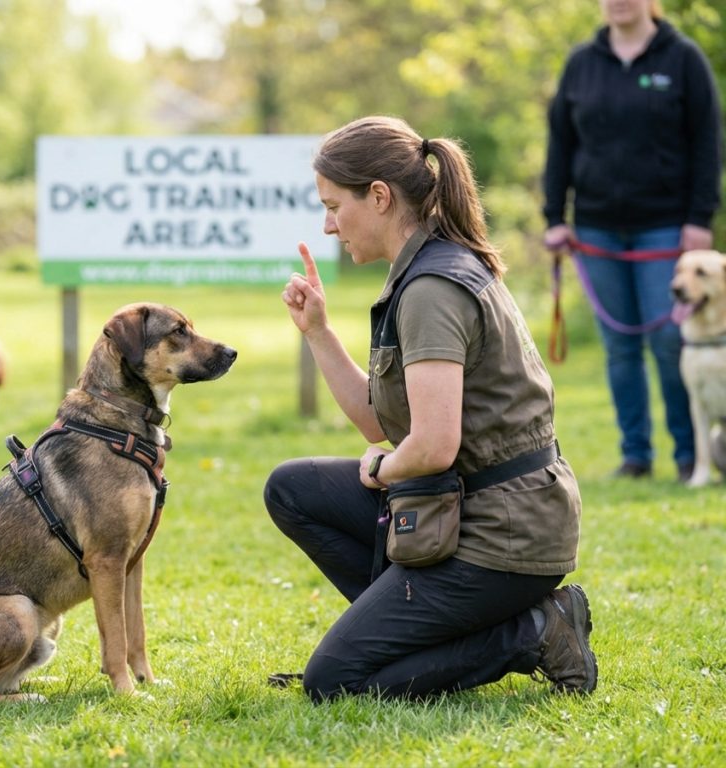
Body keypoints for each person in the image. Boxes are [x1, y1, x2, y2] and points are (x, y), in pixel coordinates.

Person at [264, 116, 597, 702]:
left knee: (334, 683)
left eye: (334, 205)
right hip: (470, 505)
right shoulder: (423, 268)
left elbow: (431, 447)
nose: (327, 224)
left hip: (503, 535)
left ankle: (536, 631)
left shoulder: (431, 289)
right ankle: (408, 642)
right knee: (292, 488)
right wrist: (317, 331)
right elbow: (379, 421)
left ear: (380, 196)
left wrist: (381, 471)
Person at [542, 0, 723, 482]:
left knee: (668, 339)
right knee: (620, 346)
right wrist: (554, 216)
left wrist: (700, 217)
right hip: (597, 228)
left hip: (666, 226)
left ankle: (691, 455)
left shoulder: (682, 57)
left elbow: (707, 140)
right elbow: (560, 142)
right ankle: (635, 455)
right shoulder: (581, 63)